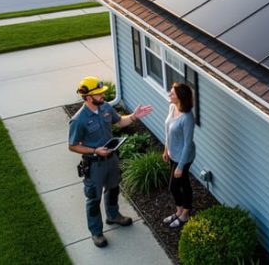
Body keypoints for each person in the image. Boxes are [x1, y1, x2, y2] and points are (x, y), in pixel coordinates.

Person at [68, 76, 153, 248]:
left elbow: (120, 121)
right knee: (93, 199)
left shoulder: (106, 107)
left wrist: (134, 116)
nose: (102, 96)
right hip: (94, 164)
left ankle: (113, 216)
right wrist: (94, 150)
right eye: (99, 94)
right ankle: (96, 232)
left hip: (111, 159)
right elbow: (72, 146)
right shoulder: (79, 120)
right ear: (88, 97)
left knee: (113, 189)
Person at [162, 82, 196, 228]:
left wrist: (180, 167)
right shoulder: (172, 107)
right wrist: (166, 149)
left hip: (184, 157)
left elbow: (188, 144)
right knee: (178, 185)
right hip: (173, 153)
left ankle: (185, 214)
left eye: (172, 94)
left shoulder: (187, 118)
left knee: (177, 186)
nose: (169, 95)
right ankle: (179, 211)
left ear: (180, 97)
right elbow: (168, 130)